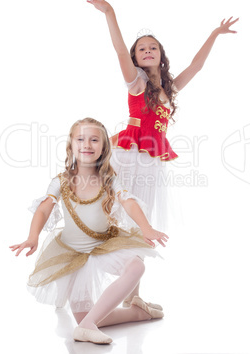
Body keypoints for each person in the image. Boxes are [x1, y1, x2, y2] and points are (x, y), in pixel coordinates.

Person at [80, 0, 239, 233]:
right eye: (141, 49)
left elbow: (196, 66)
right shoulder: (137, 81)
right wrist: (109, 12)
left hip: (152, 156)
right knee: (118, 208)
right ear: (135, 57)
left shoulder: (167, 88)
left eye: (152, 47)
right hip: (131, 151)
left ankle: (129, 253)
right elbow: (121, 51)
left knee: (139, 216)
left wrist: (215, 33)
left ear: (161, 56)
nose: (147, 51)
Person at [10, 117, 168, 345]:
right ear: (71, 145)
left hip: (103, 246)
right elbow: (44, 209)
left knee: (137, 266)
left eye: (94, 140)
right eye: (81, 139)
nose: (87, 144)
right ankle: (138, 312)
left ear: (103, 147)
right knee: (93, 318)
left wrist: (147, 227)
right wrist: (32, 236)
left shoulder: (109, 179)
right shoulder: (61, 181)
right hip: (73, 256)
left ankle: (85, 328)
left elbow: (128, 201)